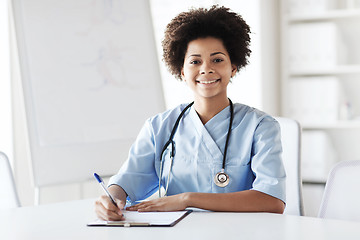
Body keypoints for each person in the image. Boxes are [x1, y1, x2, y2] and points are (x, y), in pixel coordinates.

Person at [95, 5, 286, 221]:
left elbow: (272, 201)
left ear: (233, 67)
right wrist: (111, 199)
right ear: (182, 71)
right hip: (177, 232)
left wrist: (187, 199)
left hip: (240, 232)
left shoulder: (260, 126)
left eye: (217, 60)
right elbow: (128, 179)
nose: (206, 69)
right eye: (195, 61)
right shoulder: (159, 126)